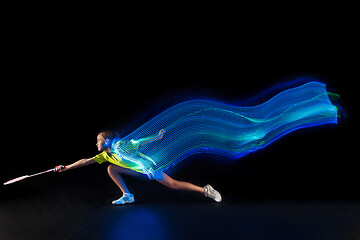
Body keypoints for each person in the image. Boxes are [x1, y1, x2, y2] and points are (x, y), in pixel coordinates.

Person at [55, 130, 222, 205]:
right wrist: (66, 167)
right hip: (138, 171)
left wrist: (155, 137)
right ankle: (128, 196)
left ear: (106, 141)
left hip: (148, 167)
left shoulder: (121, 146)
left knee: (173, 185)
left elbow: (138, 142)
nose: (96, 142)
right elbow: (85, 161)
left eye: (99, 140)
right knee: (111, 168)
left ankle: (206, 190)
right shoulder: (105, 155)